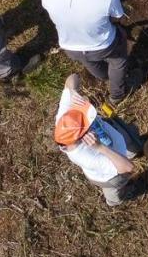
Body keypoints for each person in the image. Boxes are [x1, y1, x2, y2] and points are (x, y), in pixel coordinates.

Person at [41, 0, 131, 101]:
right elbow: (117, 17)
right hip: (104, 45)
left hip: (71, 47)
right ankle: (117, 95)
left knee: (89, 61)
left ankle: (103, 76)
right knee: (118, 62)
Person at [53, 73, 140, 206]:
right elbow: (128, 168)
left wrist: (73, 91)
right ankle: (114, 201)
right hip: (110, 175)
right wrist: (100, 147)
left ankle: (132, 151)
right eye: (87, 123)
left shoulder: (64, 119)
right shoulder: (87, 157)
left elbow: (72, 77)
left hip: (114, 139)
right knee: (114, 189)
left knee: (130, 145)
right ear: (82, 136)